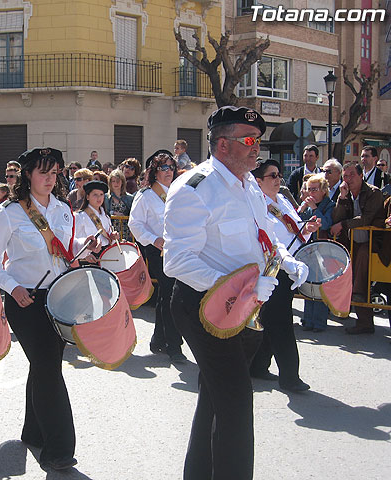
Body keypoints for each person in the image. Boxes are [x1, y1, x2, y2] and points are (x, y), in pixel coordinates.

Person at [163, 106, 309, 480]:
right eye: (249, 140)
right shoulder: (194, 188)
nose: (256, 147)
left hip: (245, 305)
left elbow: (265, 237)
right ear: (223, 144)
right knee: (237, 401)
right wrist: (238, 286)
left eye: (258, 140)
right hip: (204, 306)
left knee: (215, 397)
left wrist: (288, 261)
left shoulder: (248, 186)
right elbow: (177, 262)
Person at [0, 147, 96, 472]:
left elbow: (64, 248)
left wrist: (87, 247)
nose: (49, 178)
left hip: (58, 299)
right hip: (25, 301)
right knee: (49, 369)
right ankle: (59, 449)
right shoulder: (9, 213)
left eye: (54, 171)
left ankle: (32, 431)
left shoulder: (62, 209)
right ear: (28, 174)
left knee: (44, 367)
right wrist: (12, 287)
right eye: (42, 171)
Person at [248, 159, 319, 392]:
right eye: (272, 176)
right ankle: (290, 376)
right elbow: (270, 241)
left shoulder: (285, 201)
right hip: (271, 269)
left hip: (290, 266)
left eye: (279, 175)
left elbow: (297, 235)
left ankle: (258, 365)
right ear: (258, 181)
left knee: (271, 320)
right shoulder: (257, 205)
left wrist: (307, 230)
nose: (278, 179)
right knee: (281, 323)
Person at [129, 150, 186, 364]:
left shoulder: (177, 192)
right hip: (158, 251)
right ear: (154, 171)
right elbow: (134, 224)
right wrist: (154, 239)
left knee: (166, 296)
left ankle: (158, 340)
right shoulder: (146, 195)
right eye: (163, 168)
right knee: (172, 295)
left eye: (171, 167)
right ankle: (174, 346)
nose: (168, 171)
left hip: (178, 250)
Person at [330, 161, 386, 334]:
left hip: (373, 242)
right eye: (345, 176)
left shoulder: (373, 193)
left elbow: (366, 219)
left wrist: (343, 224)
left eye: (352, 175)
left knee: (361, 273)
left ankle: (362, 312)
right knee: (348, 269)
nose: (348, 179)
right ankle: (361, 319)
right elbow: (336, 218)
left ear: (361, 175)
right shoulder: (345, 192)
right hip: (352, 241)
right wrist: (342, 198)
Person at [299, 173, 335, 331]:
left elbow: (326, 224)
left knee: (320, 286)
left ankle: (319, 322)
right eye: (309, 189)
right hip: (308, 249)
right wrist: (303, 208)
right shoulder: (307, 204)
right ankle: (308, 320)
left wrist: (314, 209)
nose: (311, 193)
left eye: (314, 189)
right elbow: (297, 222)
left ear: (323, 190)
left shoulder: (330, 205)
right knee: (309, 285)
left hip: (324, 250)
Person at [75, 180, 119, 261]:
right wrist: (86, 255)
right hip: (89, 256)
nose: (99, 198)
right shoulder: (80, 216)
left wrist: (113, 236)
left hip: (106, 254)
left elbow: (108, 237)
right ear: (87, 197)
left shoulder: (106, 216)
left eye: (101, 194)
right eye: (95, 195)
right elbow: (75, 240)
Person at [104, 169, 134, 242]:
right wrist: (113, 213)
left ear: (122, 182)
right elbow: (104, 213)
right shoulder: (105, 197)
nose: (115, 183)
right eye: (113, 181)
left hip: (125, 230)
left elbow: (133, 215)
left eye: (118, 181)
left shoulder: (129, 198)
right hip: (112, 230)